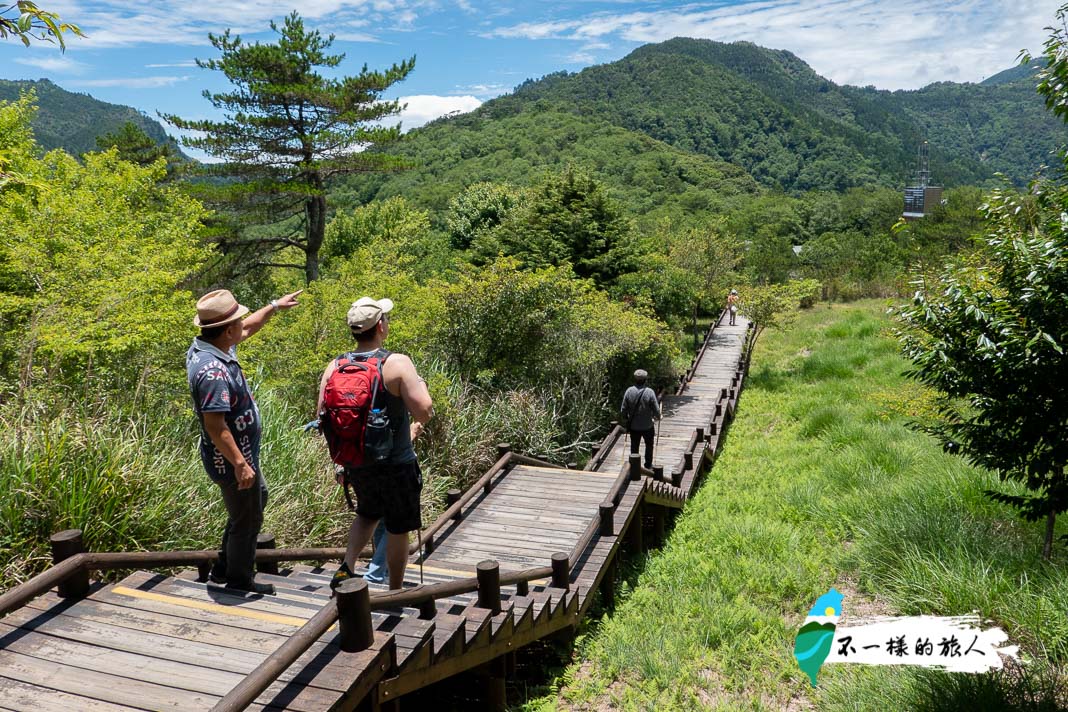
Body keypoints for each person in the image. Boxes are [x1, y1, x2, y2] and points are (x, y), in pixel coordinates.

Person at [187, 288, 302, 596]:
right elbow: (216, 426)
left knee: (252, 505)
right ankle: (239, 580)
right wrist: (240, 464)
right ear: (227, 331)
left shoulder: (214, 346)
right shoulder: (211, 371)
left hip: (241, 456)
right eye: (236, 322)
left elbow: (249, 327)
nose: (242, 325)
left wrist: (274, 306)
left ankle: (225, 566)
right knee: (247, 518)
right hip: (230, 460)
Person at [319, 297, 433, 591]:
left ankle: (347, 566)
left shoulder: (336, 365)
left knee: (367, 512)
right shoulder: (396, 362)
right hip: (396, 462)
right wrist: (419, 384)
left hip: (357, 459)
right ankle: (395, 589)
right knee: (398, 526)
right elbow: (424, 410)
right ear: (381, 326)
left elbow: (322, 413)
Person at [620, 369, 661, 469]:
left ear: (635, 379)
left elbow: (623, 410)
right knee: (649, 445)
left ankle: (634, 466)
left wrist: (626, 419)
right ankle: (648, 465)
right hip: (648, 425)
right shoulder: (650, 392)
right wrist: (659, 416)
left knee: (634, 446)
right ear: (645, 379)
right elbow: (656, 410)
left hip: (634, 426)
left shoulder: (629, 391)